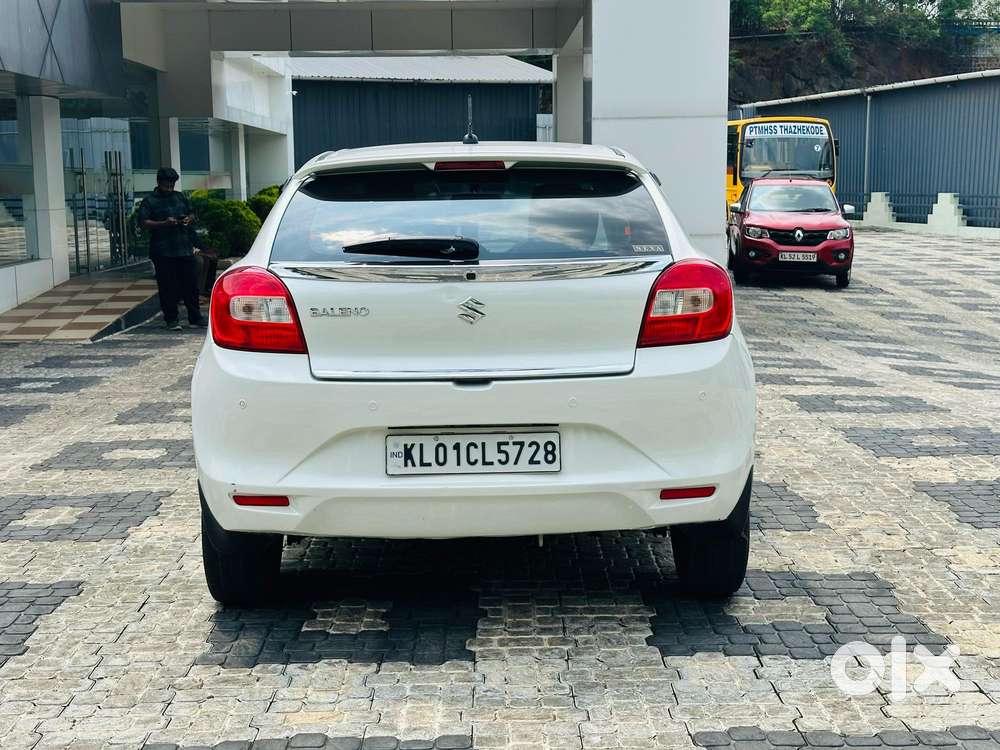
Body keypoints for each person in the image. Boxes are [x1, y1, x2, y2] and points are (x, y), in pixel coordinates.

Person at [138, 167, 210, 331]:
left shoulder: (179, 197)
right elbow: (143, 223)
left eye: (172, 184)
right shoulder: (150, 201)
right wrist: (163, 223)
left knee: (191, 285)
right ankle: (171, 319)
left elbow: (193, 214)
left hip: (184, 248)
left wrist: (188, 219)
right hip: (163, 251)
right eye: (167, 184)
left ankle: (195, 317)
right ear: (159, 182)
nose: (170, 187)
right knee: (168, 286)